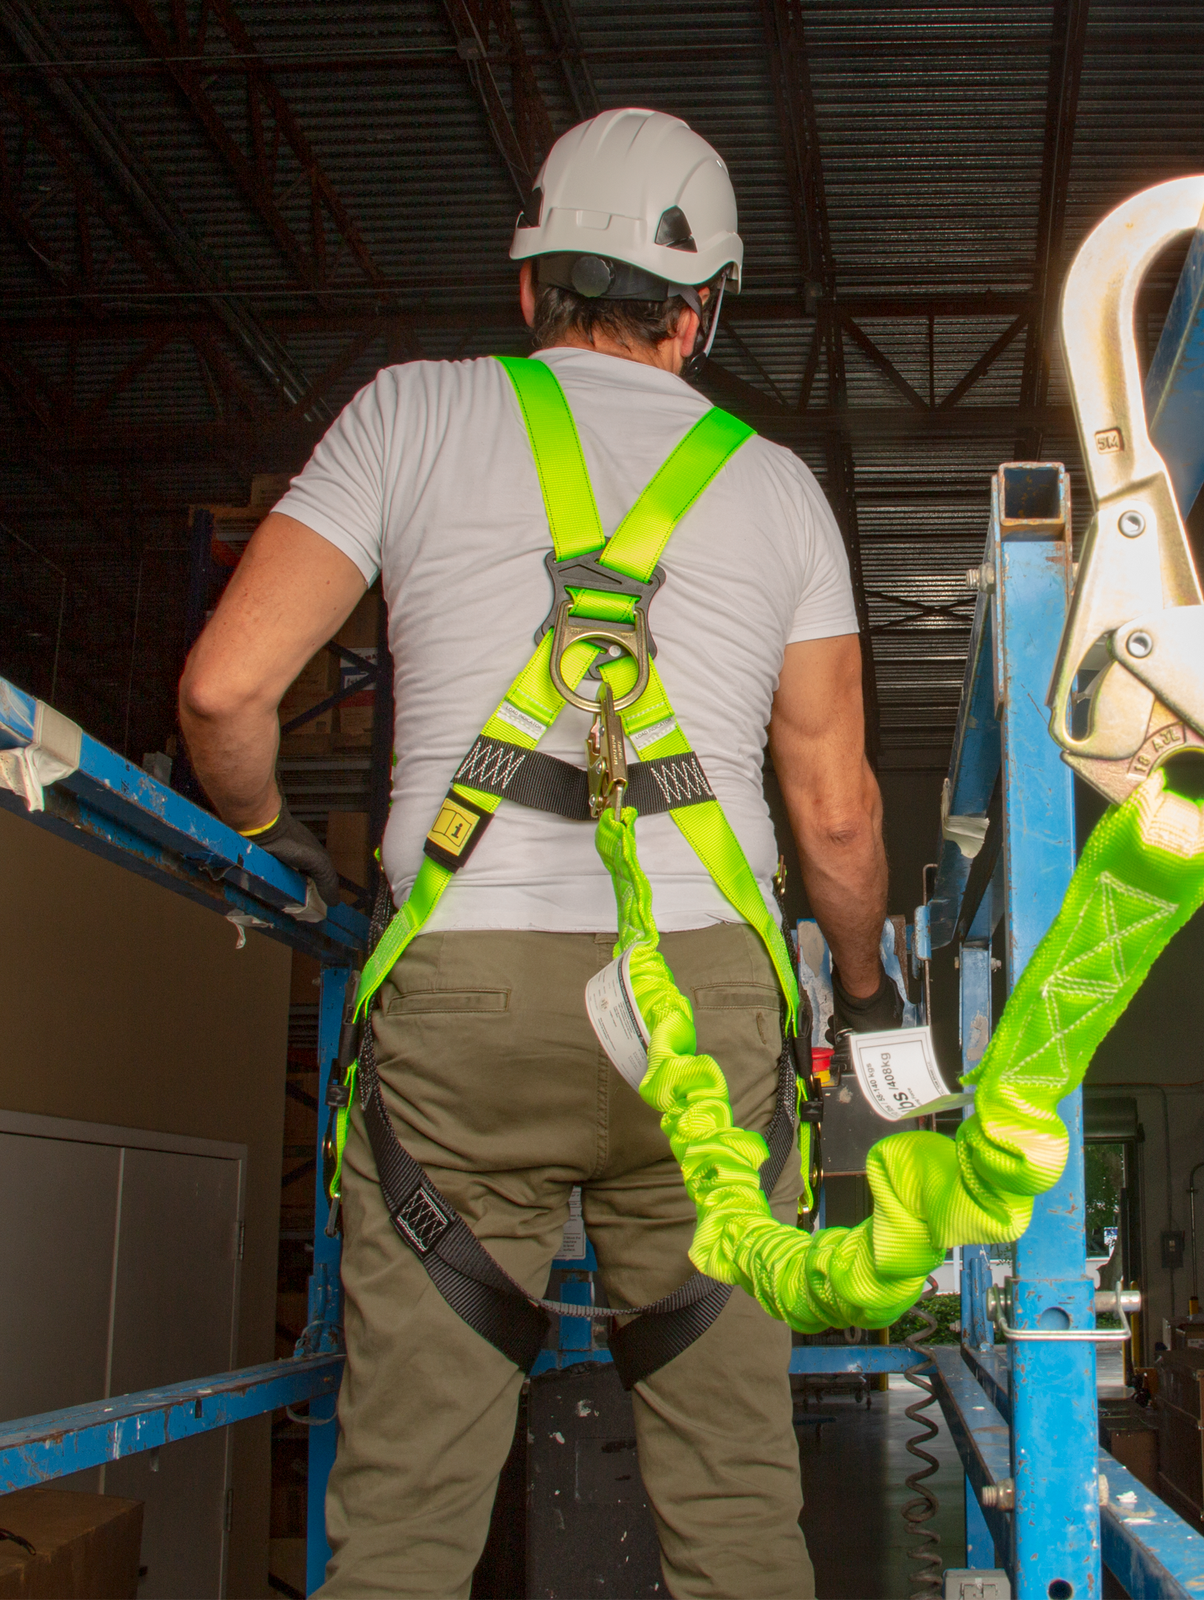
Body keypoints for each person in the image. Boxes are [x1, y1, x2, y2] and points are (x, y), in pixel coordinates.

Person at [179, 107, 902, 1599]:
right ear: (702, 312)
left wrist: (262, 838)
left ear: (531, 287)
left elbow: (222, 693)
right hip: (703, 1010)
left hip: (465, 1003)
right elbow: (833, 811)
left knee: (402, 1523)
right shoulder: (776, 486)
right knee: (738, 1506)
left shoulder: (409, 413)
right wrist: (864, 992)